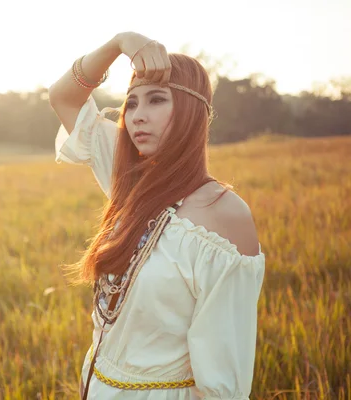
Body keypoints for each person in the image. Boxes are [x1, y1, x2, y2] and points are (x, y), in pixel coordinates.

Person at [48, 31, 266, 400]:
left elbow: (224, 379)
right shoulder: (128, 178)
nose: (137, 116)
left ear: (192, 111)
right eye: (130, 103)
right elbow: (64, 97)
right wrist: (120, 42)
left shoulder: (224, 214)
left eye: (156, 100)